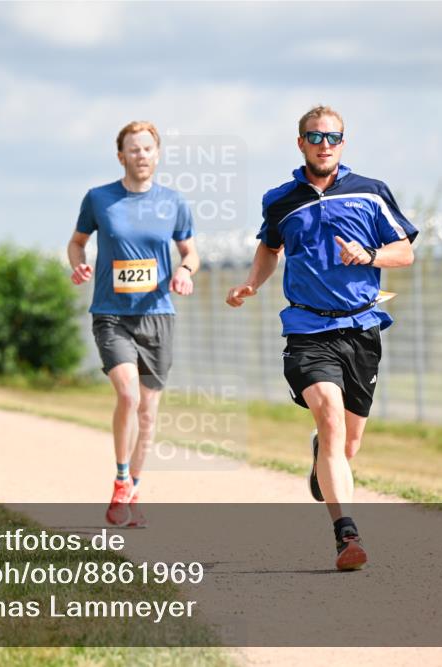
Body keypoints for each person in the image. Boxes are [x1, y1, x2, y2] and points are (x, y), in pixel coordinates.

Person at [226, 105, 418, 570]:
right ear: (301, 143)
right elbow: (270, 247)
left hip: (362, 328)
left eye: (332, 137)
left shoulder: (370, 192)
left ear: (343, 143)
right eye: (315, 137)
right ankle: (346, 536)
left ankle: (323, 459)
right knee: (329, 416)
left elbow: (404, 251)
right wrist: (252, 283)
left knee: (347, 445)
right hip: (307, 328)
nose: (324, 145)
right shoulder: (280, 200)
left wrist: (369, 255)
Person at [68, 120, 199, 528]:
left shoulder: (173, 202)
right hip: (111, 314)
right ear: (121, 156)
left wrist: (185, 272)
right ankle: (121, 478)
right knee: (128, 395)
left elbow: (190, 252)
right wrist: (78, 265)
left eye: (147, 148)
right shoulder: (99, 198)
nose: (141, 155)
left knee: (148, 413)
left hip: (157, 316)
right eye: (134, 149)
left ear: (157, 155)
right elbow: (76, 242)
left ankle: (133, 490)